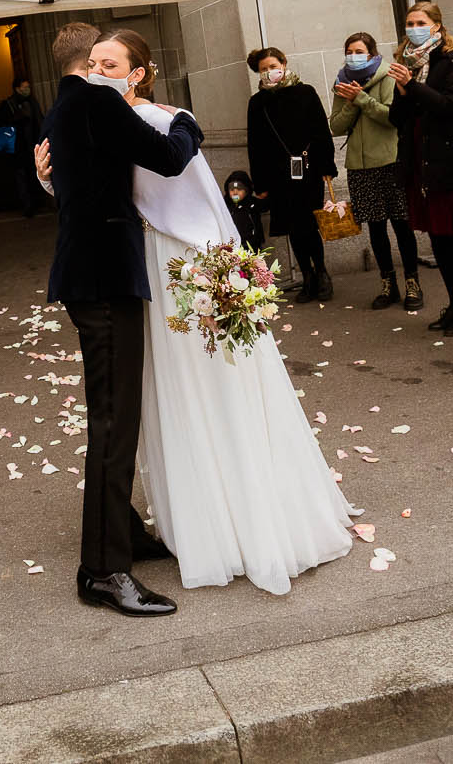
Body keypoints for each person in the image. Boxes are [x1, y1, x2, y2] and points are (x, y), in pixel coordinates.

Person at [94, 29, 354, 594]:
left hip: (184, 265)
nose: (97, 71)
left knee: (212, 384)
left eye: (109, 63)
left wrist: (221, 275)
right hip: (151, 265)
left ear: (137, 73)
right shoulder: (106, 124)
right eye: (92, 62)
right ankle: (197, 517)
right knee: (175, 391)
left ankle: (245, 516)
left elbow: (200, 200)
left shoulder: (165, 123)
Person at [35, 20, 203, 618]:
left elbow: (81, 181)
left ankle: (123, 531)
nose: (112, 71)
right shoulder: (97, 101)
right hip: (105, 280)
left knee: (114, 415)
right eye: (105, 60)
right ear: (93, 62)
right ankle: (103, 570)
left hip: (92, 276)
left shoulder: (64, 107)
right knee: (113, 421)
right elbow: (168, 156)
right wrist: (185, 118)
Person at [387, 3, 453, 333]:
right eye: (409, 22)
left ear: (437, 26)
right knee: (438, 239)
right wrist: (402, 92)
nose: (414, 27)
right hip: (420, 160)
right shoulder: (407, 63)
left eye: (421, 22)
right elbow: (397, 119)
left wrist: (412, 85)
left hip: (448, 159)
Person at [329, 31, 421, 314]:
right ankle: (387, 283)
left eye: (359, 51)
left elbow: (391, 118)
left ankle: (412, 282)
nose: (353, 56)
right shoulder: (342, 83)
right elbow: (336, 126)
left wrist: (362, 99)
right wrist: (351, 101)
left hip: (391, 161)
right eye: (349, 51)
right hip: (360, 166)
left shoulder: (388, 76)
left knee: (402, 225)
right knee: (376, 228)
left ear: (371, 53)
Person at [245, 47, 338, 301]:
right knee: (293, 227)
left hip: (308, 170)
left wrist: (327, 167)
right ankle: (306, 275)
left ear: (283, 64)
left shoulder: (305, 92)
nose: (269, 72)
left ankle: (321, 272)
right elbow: (255, 145)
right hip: (278, 176)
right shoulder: (258, 103)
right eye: (263, 69)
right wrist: (260, 182)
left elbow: (321, 130)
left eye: (273, 66)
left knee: (310, 224)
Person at [0, 77, 45, 217]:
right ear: (17, 89)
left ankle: (37, 202)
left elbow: (39, 120)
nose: (27, 89)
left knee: (33, 174)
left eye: (28, 86)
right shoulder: (8, 104)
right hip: (17, 147)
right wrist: (17, 118)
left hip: (32, 145)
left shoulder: (32, 102)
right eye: (24, 87)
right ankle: (27, 205)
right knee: (21, 176)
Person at [224, 170, 266, 250]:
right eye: (232, 190)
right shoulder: (224, 205)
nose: (235, 193)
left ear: (246, 191)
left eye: (239, 189)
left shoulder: (252, 203)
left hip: (252, 246)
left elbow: (266, 205)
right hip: (232, 246)